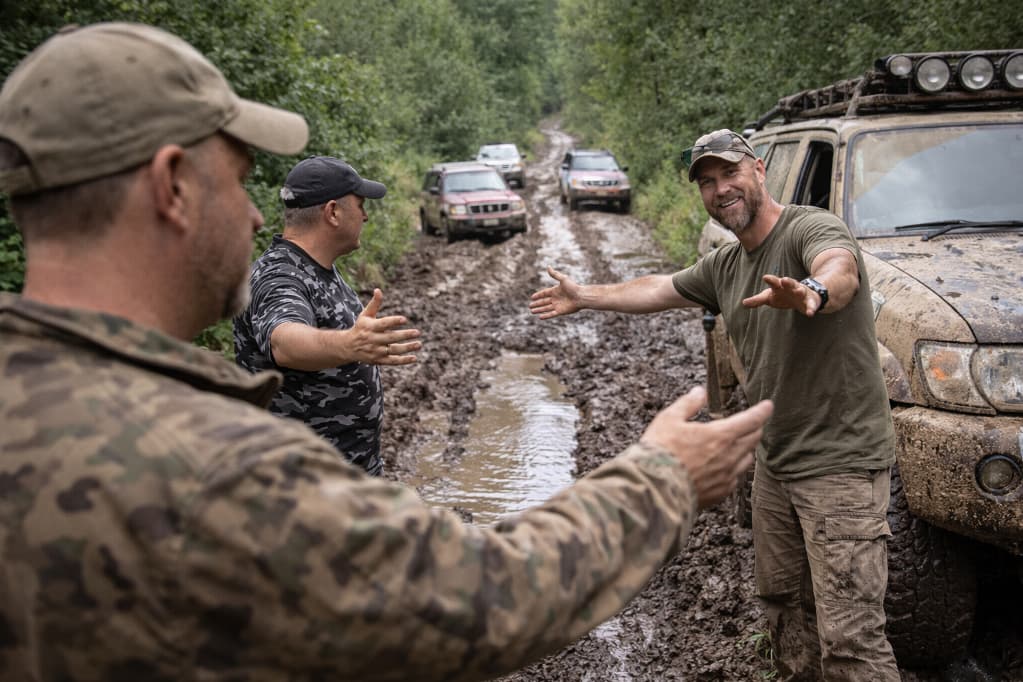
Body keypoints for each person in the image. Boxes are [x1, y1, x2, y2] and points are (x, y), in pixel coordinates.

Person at [0, 24, 773, 681]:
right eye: (237, 180)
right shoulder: (211, 465)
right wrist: (661, 479)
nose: (251, 215)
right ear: (172, 186)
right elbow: (481, 597)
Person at [530, 129, 899, 680]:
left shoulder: (809, 228)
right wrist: (585, 295)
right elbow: (659, 288)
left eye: (729, 174)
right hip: (776, 465)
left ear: (758, 170)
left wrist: (811, 293)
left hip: (840, 465)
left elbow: (838, 266)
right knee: (783, 612)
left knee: (851, 640)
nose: (720, 189)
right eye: (707, 182)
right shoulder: (727, 265)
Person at [233, 156, 420, 476]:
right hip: (304, 490)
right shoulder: (278, 276)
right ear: (333, 212)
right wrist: (350, 344)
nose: (365, 215)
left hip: (347, 481)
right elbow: (284, 341)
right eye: (360, 205)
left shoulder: (317, 268)